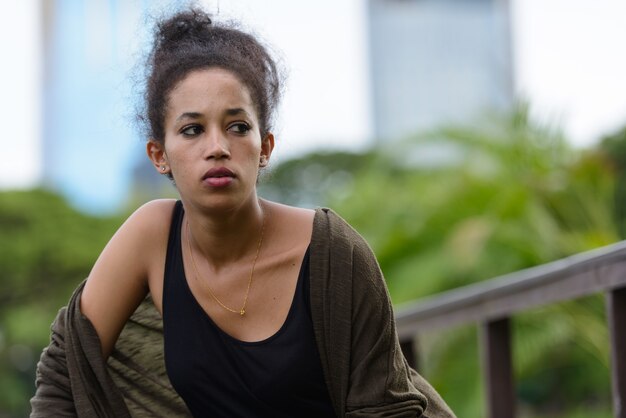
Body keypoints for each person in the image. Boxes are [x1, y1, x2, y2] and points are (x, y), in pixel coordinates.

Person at [30, 7, 455, 418]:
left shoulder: (332, 254)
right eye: (192, 130)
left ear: (265, 147)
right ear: (159, 155)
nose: (217, 146)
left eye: (237, 127)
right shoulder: (151, 236)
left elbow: (383, 407)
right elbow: (65, 368)